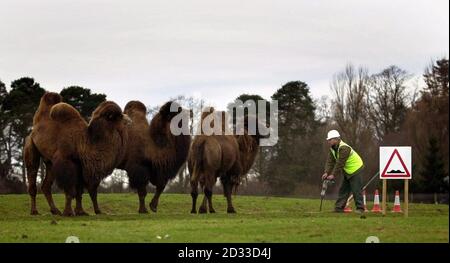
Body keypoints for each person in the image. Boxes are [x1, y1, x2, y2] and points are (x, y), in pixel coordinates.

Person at [322, 130, 365, 213]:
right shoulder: (333, 149)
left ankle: (360, 208)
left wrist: (333, 175)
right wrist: (326, 172)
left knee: (356, 190)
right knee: (343, 190)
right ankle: (339, 208)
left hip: (356, 169)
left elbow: (340, 163)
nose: (328, 141)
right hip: (348, 170)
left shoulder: (344, 148)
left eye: (330, 140)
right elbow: (330, 161)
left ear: (336, 139)